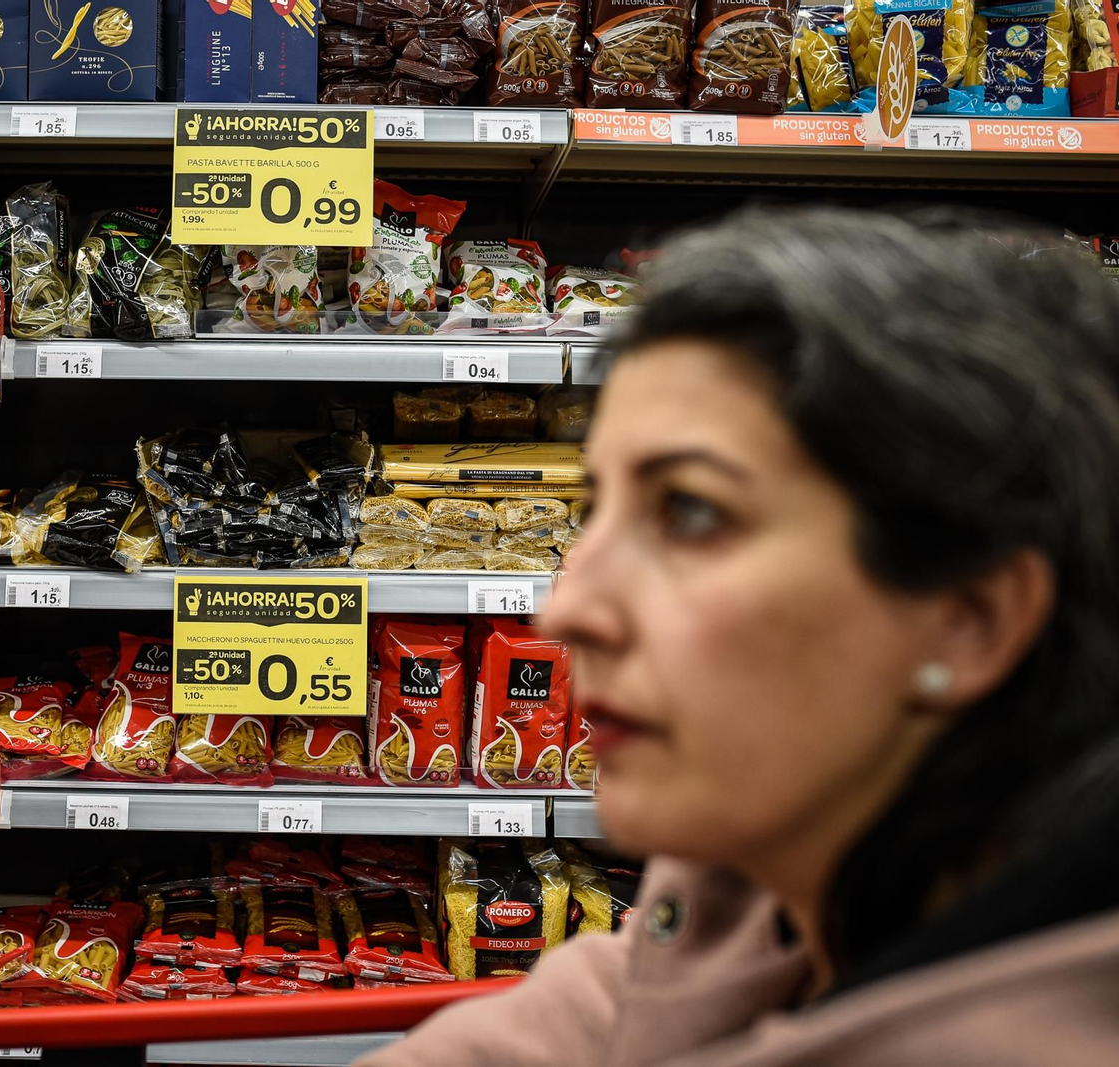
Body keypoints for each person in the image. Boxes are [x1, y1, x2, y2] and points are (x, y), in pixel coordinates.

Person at [359, 208, 1119, 1067]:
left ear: (970, 618)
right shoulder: (758, 898)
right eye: (597, 508)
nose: (564, 613)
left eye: (691, 511)